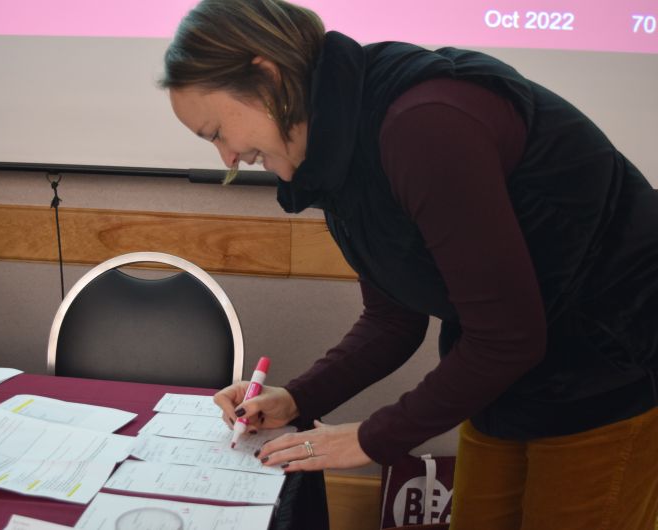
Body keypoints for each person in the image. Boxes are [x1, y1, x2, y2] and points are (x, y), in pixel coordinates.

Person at [161, 1, 658, 528]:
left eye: (216, 131)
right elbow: (393, 318)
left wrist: (369, 438)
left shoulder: (421, 126)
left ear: (266, 76)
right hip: (505, 377)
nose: (227, 158)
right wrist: (298, 399)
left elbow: (509, 336)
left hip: (607, 369)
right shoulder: (334, 154)